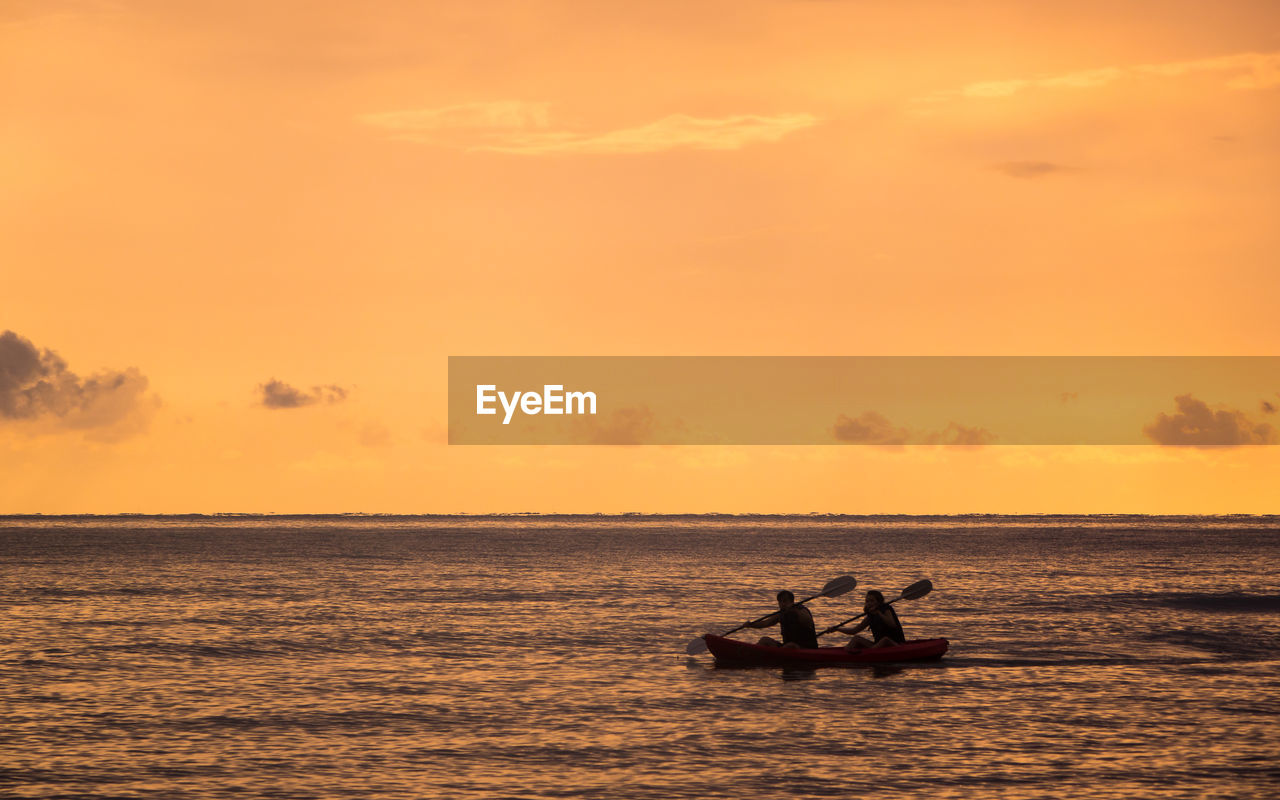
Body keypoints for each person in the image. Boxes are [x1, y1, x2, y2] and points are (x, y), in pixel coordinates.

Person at [836, 590, 906, 650]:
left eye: (872, 601)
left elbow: (892, 624)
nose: (869, 603)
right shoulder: (870, 616)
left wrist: (879, 613)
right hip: (878, 646)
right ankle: (846, 654)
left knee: (885, 640)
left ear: (878, 602)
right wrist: (838, 629)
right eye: (867, 601)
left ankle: (869, 653)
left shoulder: (886, 609)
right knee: (856, 638)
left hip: (895, 644)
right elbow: (854, 631)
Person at [748, 590, 818, 648]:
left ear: (791, 602)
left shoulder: (801, 610)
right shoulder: (781, 614)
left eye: (785, 601)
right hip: (786, 647)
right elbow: (766, 623)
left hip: (805, 647)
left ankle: (777, 656)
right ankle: (753, 654)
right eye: (780, 602)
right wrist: (751, 625)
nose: (782, 604)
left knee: (790, 645)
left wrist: (795, 610)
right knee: (764, 640)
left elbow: (808, 621)